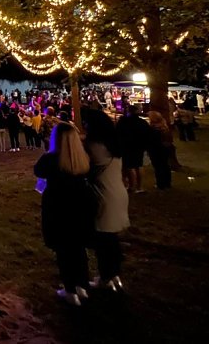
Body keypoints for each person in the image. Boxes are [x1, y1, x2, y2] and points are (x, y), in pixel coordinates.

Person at [33, 122, 95, 306]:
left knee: (64, 250)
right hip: (80, 205)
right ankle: (82, 286)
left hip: (58, 207)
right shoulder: (82, 157)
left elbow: (38, 171)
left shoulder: (51, 158)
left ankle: (70, 289)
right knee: (78, 248)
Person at [83, 109, 130, 292]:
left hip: (104, 195)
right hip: (118, 191)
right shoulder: (114, 145)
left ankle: (106, 277)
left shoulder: (93, 146)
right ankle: (114, 275)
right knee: (111, 238)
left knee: (103, 239)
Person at [116, 105, 150, 193]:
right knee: (139, 165)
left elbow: (118, 133)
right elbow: (148, 134)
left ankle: (132, 186)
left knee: (130, 166)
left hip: (127, 145)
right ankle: (139, 186)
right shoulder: (142, 122)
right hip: (139, 146)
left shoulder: (124, 121)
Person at [147, 111, 172, 190]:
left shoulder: (153, 128)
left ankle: (160, 184)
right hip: (166, 148)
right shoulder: (164, 126)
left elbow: (152, 140)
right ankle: (167, 183)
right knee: (165, 165)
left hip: (156, 149)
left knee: (158, 167)